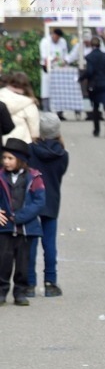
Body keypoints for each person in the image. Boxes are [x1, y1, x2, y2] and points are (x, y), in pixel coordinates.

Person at [0, 137, 46, 307]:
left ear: (21, 160)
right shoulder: (0, 176)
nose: (6, 161)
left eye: (10, 158)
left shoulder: (34, 178)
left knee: (23, 263)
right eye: (4, 158)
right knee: (3, 261)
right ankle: (2, 291)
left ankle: (20, 292)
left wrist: (20, 217)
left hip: (26, 228)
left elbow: (39, 201)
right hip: (4, 227)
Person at [27, 113, 68, 298]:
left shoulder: (30, 150)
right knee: (50, 243)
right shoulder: (62, 155)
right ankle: (50, 282)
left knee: (30, 243)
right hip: (52, 200)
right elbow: (60, 174)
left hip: (32, 200)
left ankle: (29, 283)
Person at [85, 38, 105, 138]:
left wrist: (82, 77)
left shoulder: (89, 57)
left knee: (95, 106)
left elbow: (89, 72)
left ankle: (96, 129)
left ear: (91, 45)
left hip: (95, 85)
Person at [0, 73, 41, 144]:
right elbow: (34, 127)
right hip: (21, 142)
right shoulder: (29, 102)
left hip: (2, 140)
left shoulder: (1, 94)